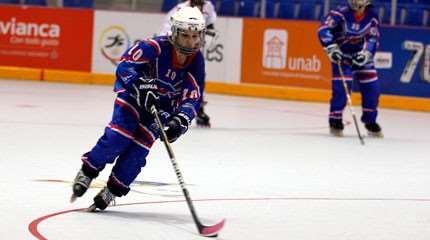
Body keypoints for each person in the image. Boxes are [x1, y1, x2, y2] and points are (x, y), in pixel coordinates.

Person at [70, 6, 207, 211]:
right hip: (133, 101)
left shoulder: (197, 61)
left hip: (159, 112)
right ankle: (89, 170)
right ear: (175, 33)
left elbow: (193, 96)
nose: (191, 41)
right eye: (186, 35)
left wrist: (180, 121)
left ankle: (113, 190)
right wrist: (141, 85)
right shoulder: (154, 47)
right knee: (117, 138)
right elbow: (125, 66)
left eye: (195, 36)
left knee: (136, 155)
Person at [318, 0, 383, 137]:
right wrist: (331, 47)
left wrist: (366, 54)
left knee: (372, 88)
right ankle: (335, 119)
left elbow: (373, 38)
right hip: (342, 56)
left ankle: (370, 121)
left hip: (361, 57)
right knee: (342, 88)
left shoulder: (372, 17)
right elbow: (324, 29)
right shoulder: (339, 13)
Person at [159, 0, 218, 127]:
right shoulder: (180, 9)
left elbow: (211, 25)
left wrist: (205, 38)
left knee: (198, 79)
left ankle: (199, 109)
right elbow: (166, 33)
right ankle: (168, 105)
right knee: (174, 78)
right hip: (176, 50)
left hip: (194, 50)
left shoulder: (208, 6)